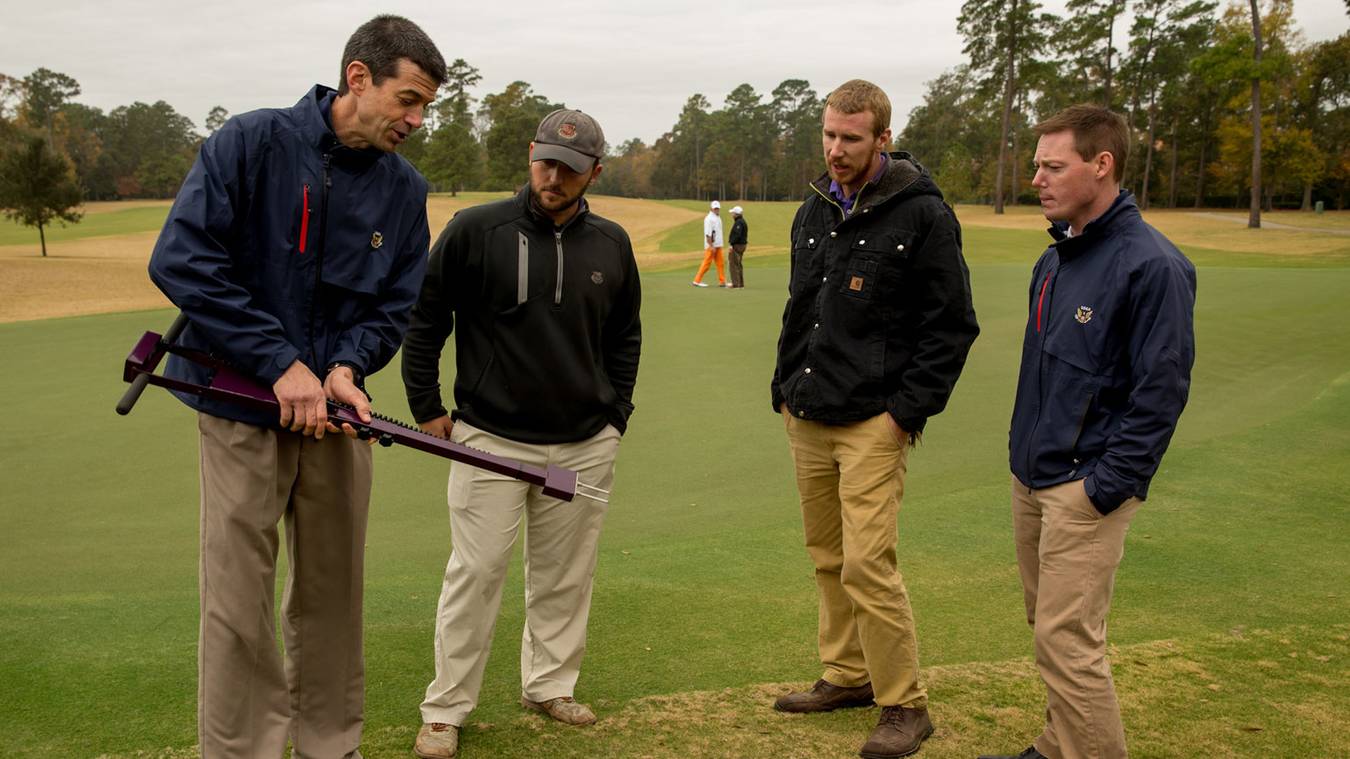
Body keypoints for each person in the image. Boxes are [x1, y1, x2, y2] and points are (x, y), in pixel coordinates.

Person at [145, 15, 444, 759]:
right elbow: (182, 260)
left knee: (334, 593)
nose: (415, 120)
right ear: (358, 78)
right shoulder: (250, 143)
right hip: (239, 405)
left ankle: (328, 745)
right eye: (407, 100)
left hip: (338, 420)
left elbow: (393, 305)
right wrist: (281, 362)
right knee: (238, 598)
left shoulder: (407, 191)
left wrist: (346, 367)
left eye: (425, 108)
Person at [402, 108, 642, 759]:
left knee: (565, 573)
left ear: (594, 171)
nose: (552, 177)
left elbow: (625, 337)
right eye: (544, 161)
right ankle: (446, 707)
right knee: (476, 573)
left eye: (568, 168)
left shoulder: (612, 244)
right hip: (492, 437)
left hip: (585, 440)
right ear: (530, 157)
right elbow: (426, 321)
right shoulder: (476, 229)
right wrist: (426, 405)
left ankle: (549, 684)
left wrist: (615, 416)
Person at [770, 79, 979, 759]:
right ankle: (847, 673)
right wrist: (783, 386)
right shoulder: (814, 209)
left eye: (850, 138)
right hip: (807, 410)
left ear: (882, 138)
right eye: (829, 135)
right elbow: (802, 305)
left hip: (873, 421)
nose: (835, 149)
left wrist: (904, 414)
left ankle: (904, 703)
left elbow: (951, 327)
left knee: (868, 563)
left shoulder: (923, 215)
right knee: (828, 557)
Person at [979, 105, 1196, 759]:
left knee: (1068, 640)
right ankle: (1060, 743)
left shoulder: (1153, 266)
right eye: (1036, 164)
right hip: (1034, 472)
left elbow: (1159, 394)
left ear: (1101, 165)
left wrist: (1106, 486)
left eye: (1053, 165)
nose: (1036, 178)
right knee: (1049, 626)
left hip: (1085, 484)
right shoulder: (1056, 259)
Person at [691, 199, 727, 287]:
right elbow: (708, 234)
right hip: (712, 246)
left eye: (718, 208)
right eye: (715, 208)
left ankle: (722, 281)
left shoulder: (718, 217)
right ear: (711, 209)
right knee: (707, 263)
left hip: (718, 245)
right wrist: (711, 246)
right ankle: (697, 280)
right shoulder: (709, 219)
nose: (716, 210)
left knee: (720, 263)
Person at [727, 205, 748, 288]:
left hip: (737, 246)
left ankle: (735, 284)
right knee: (738, 264)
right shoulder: (742, 221)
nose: (732, 215)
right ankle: (740, 283)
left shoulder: (739, 223)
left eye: (733, 213)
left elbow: (737, 235)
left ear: (736, 214)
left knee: (734, 264)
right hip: (741, 245)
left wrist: (731, 244)